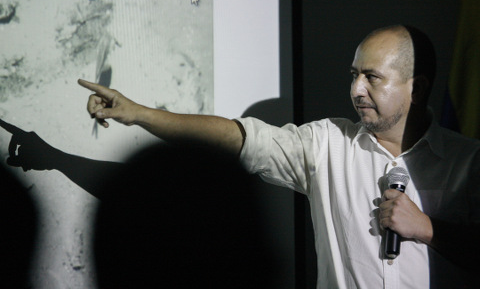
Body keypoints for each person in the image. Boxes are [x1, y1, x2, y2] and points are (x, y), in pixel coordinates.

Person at [78, 24, 480, 289]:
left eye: (371, 77)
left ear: (418, 88)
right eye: (353, 75)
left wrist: (428, 228)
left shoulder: (470, 162)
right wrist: (140, 113)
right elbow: (240, 138)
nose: (356, 90)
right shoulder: (327, 144)